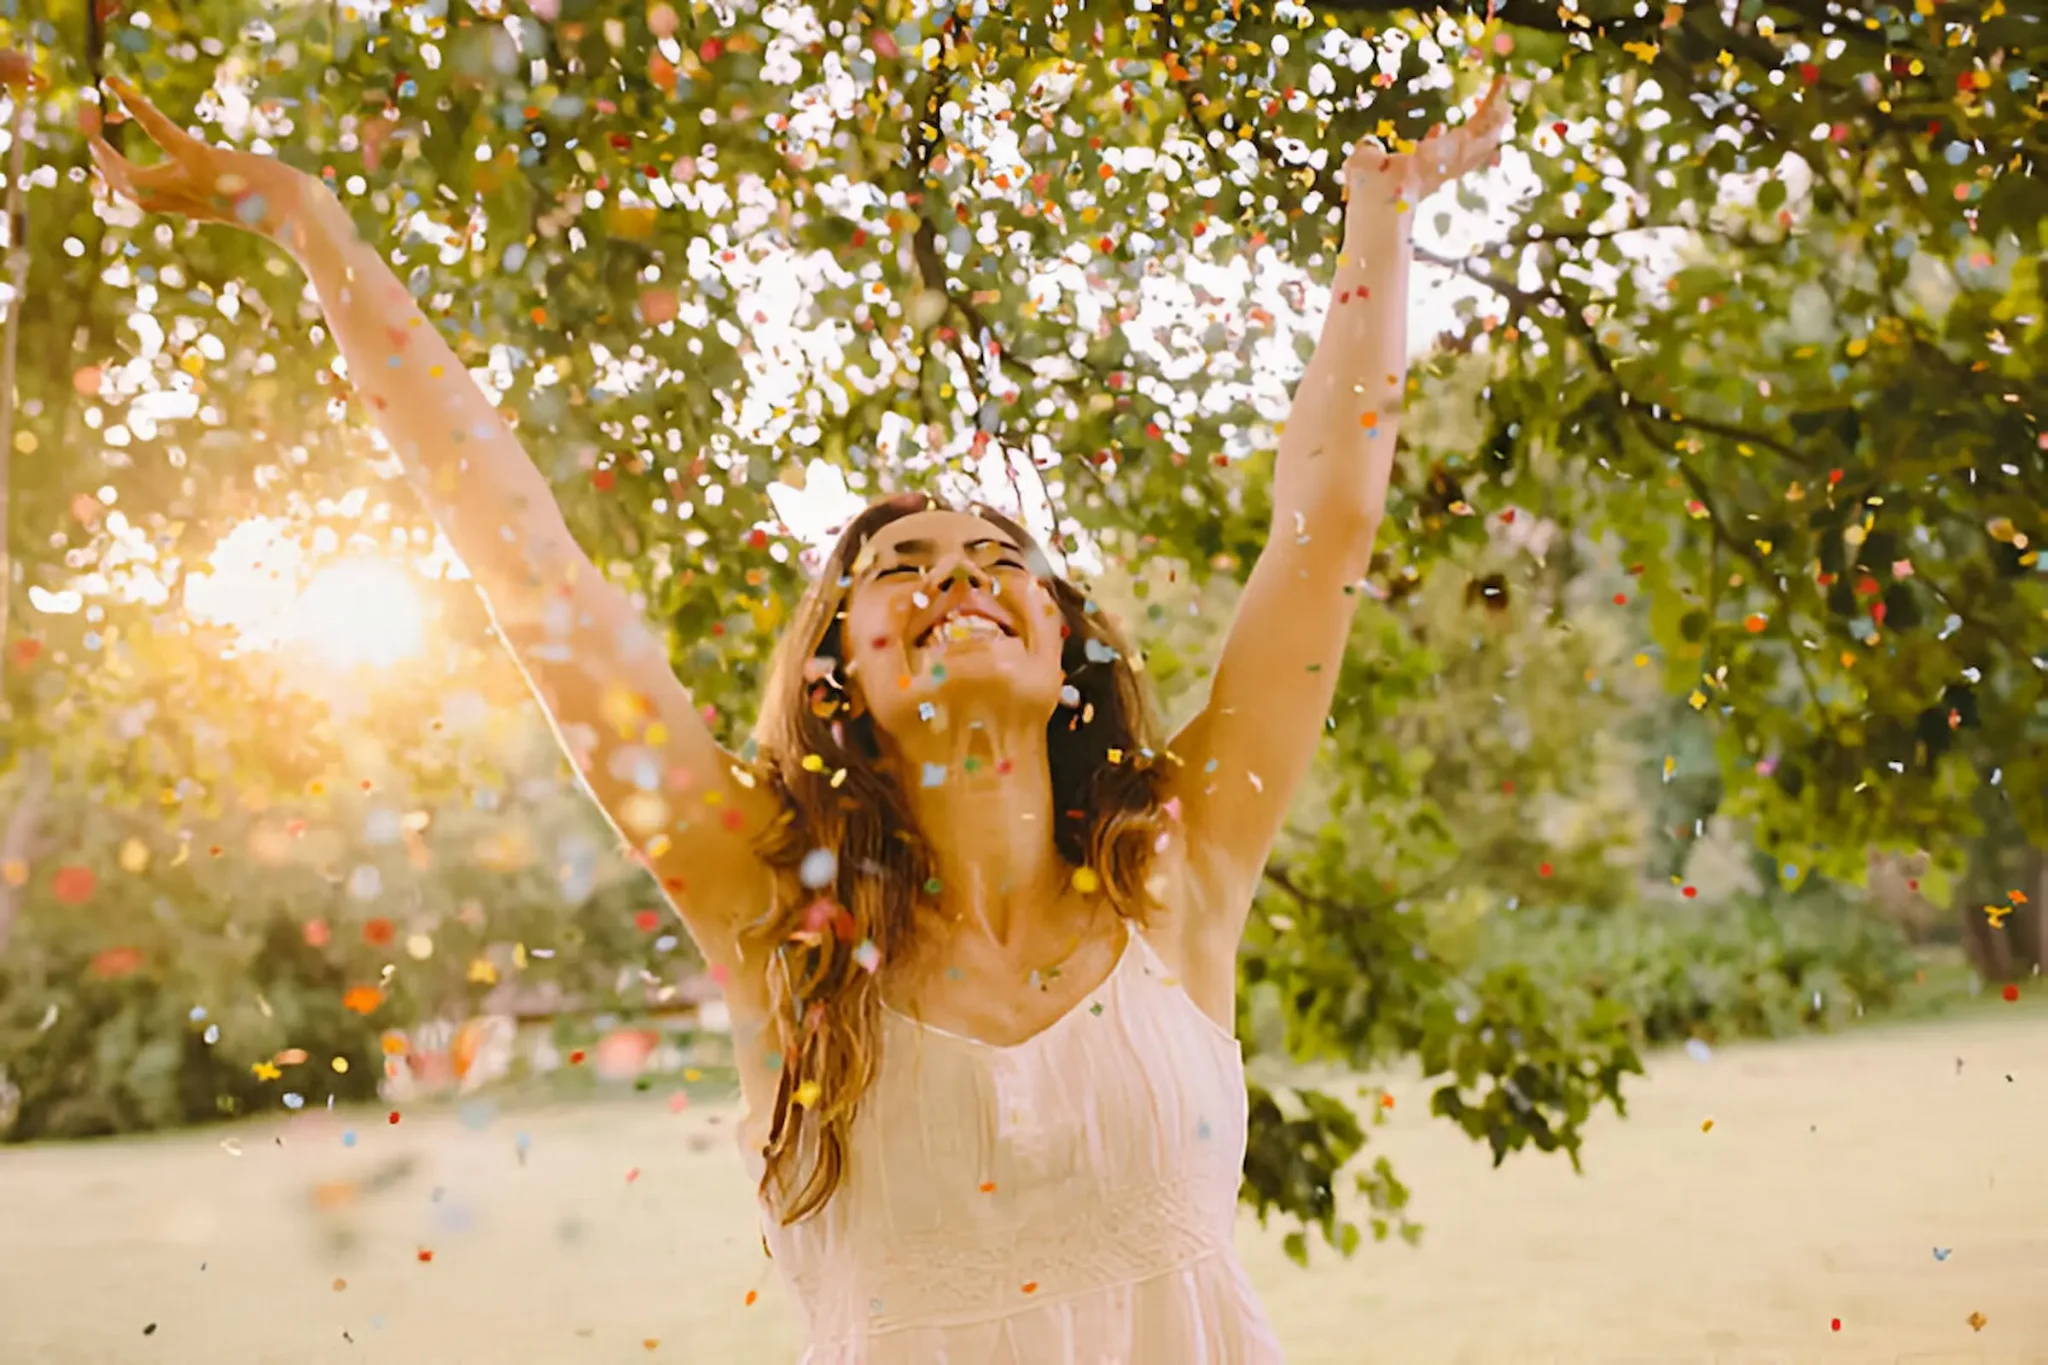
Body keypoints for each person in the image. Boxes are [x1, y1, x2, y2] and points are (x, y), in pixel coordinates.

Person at [90, 70, 1511, 1364]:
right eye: (898, 573)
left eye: (997, 561)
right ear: (842, 675)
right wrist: (309, 221)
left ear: (1066, 643)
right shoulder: (769, 908)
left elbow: (1327, 521)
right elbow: (529, 567)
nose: (955, 579)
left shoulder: (1180, 877)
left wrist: (1378, 214)